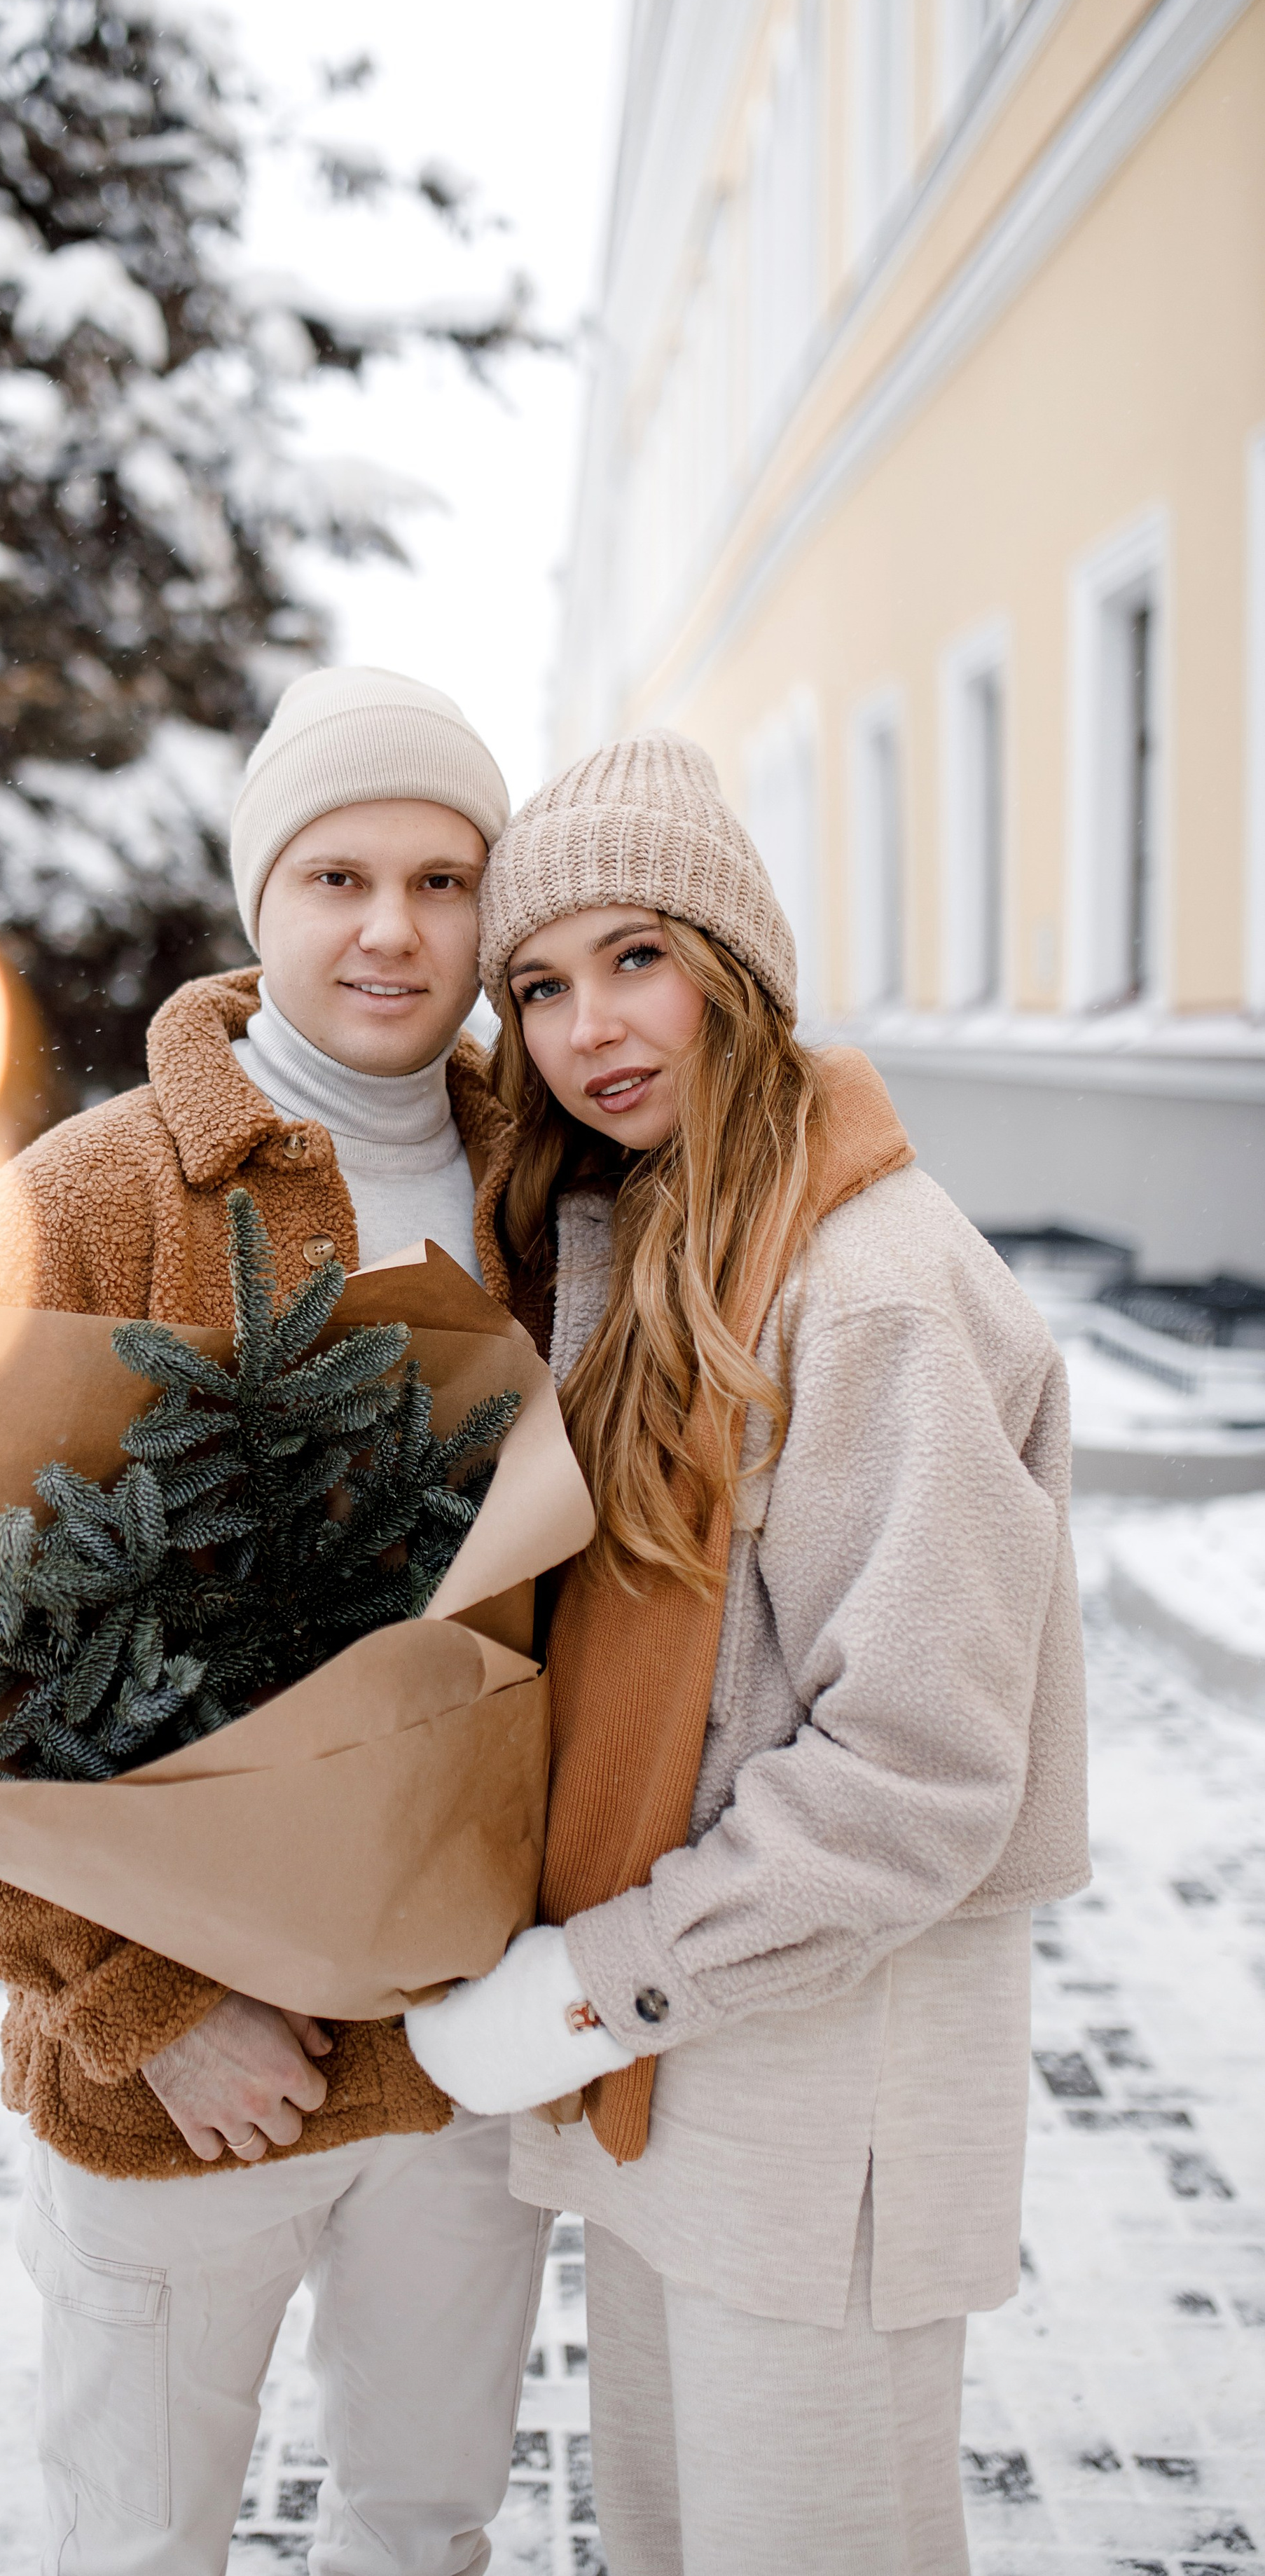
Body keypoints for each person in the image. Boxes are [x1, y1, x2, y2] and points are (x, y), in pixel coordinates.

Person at [407, 730, 1090, 2576]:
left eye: (638, 957)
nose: (589, 1028)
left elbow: (918, 1779)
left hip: (823, 2085)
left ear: (737, 968)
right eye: (541, 986)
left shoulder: (872, 1291)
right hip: (691, 2074)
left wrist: (594, 1984)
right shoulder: (659, 1251)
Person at [0, 666, 551, 2576]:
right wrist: (148, 2005)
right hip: (181, 2084)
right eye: (338, 876)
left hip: (459, 2053)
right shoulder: (86, 1205)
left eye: (444, 881)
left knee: (423, 2525)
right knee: (141, 2539)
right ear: (258, 894)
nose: (393, 931)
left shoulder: (557, 1195)